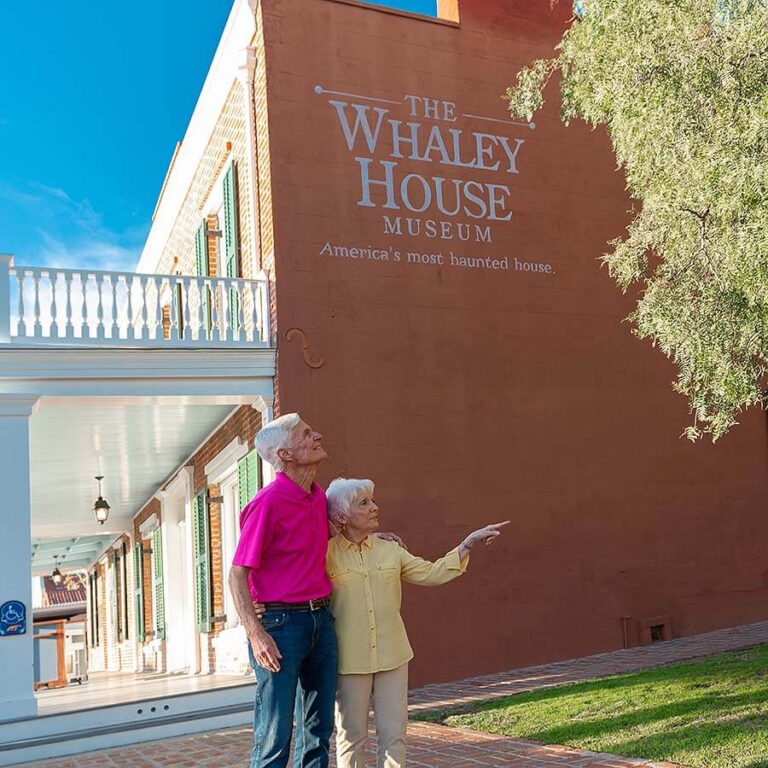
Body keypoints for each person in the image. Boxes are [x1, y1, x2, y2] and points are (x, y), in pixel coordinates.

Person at [325, 477, 509, 768]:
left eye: (372, 500)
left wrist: (466, 544)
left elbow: (431, 572)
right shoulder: (325, 555)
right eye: (364, 503)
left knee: (394, 734)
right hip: (349, 660)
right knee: (351, 736)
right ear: (341, 517)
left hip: (393, 655)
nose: (375, 507)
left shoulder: (390, 550)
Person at [229, 413, 337, 768]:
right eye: (306, 434)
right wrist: (256, 634)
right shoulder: (268, 502)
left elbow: (329, 540)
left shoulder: (318, 496)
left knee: (318, 731)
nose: (316, 435)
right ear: (286, 455)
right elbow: (237, 574)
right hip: (280, 626)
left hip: (321, 619)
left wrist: (376, 540)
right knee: (275, 735)